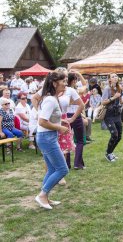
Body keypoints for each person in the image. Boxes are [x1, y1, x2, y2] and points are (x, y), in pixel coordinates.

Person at [34, 71, 69, 210]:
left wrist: (60, 121)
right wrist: (59, 127)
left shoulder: (51, 98)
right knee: (62, 169)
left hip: (47, 137)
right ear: (55, 83)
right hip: (46, 137)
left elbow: (48, 118)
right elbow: (42, 121)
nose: (65, 84)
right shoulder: (50, 100)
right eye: (63, 81)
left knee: (52, 169)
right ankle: (42, 195)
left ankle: (45, 197)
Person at [101, 73, 123, 162]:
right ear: (110, 79)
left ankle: (110, 152)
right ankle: (108, 153)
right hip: (109, 114)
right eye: (113, 76)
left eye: (116, 76)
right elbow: (103, 102)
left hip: (117, 114)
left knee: (119, 136)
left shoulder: (119, 88)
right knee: (114, 134)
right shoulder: (107, 89)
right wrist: (114, 97)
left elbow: (121, 101)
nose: (115, 77)